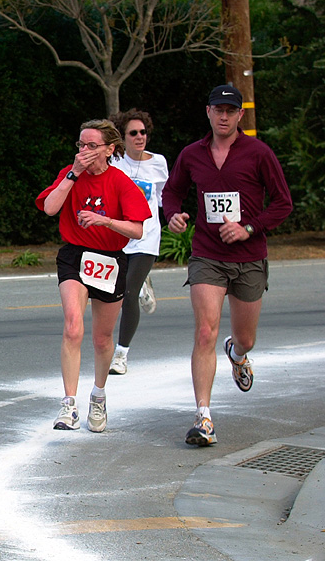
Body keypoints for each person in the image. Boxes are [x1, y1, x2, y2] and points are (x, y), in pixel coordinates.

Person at [162, 85, 292, 447]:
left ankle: (237, 352)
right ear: (208, 112)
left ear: (239, 115)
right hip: (207, 254)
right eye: (217, 110)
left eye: (230, 111)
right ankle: (203, 418)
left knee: (247, 338)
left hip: (249, 257)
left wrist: (249, 228)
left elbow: (283, 203)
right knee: (205, 332)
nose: (223, 116)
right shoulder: (192, 154)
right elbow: (172, 192)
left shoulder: (259, 153)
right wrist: (172, 215)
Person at [36, 119, 151, 433]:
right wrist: (72, 174)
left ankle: (98, 396)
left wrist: (106, 221)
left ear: (109, 149)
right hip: (75, 256)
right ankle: (68, 405)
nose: (84, 151)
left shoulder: (120, 182)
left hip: (109, 259)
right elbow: (49, 208)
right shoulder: (70, 174)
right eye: (80, 145)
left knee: (102, 339)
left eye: (91, 145)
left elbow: (137, 229)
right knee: (73, 327)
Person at [107, 109, 169, 375]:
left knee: (128, 294)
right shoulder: (114, 162)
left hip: (146, 236)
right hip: (120, 236)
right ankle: (143, 281)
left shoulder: (158, 163)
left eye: (143, 132)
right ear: (123, 137)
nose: (140, 137)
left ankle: (121, 355)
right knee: (116, 290)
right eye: (133, 133)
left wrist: (175, 216)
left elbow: (164, 197)